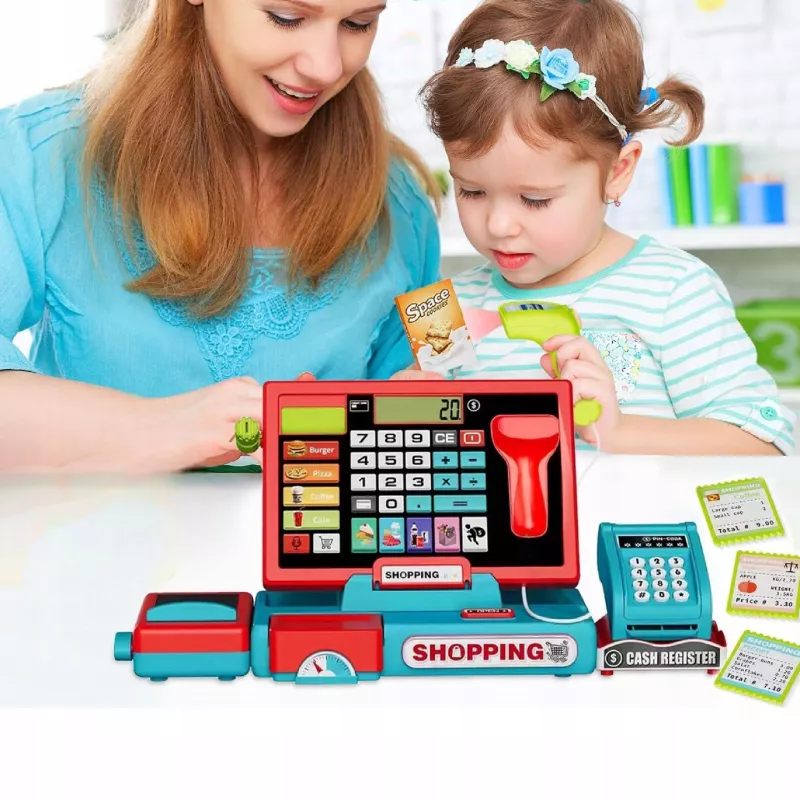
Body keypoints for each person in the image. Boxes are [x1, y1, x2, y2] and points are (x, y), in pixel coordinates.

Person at [0, 0, 444, 474]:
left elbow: (440, 393)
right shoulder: (31, 155)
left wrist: (429, 410)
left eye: (359, 23)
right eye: (286, 17)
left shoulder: (403, 202)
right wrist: (170, 428)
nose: (326, 67)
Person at [412, 0, 795, 455]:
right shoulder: (443, 308)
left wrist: (619, 432)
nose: (498, 225)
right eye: (472, 191)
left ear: (618, 171)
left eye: (535, 200)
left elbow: (767, 444)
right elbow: (432, 451)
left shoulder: (673, 290)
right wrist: (402, 410)